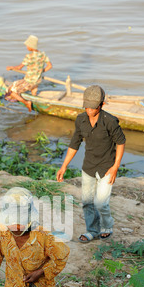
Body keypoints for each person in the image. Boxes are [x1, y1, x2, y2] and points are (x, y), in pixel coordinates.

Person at [56, 85, 126, 243]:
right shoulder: (80, 120)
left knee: (101, 203)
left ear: (101, 105)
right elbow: (75, 144)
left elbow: (121, 143)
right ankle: (92, 230)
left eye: (93, 107)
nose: (89, 110)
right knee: (87, 202)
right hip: (88, 167)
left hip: (107, 168)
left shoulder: (110, 121)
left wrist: (115, 167)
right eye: (86, 106)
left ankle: (107, 226)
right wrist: (64, 166)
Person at [5, 35, 52, 112]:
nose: (27, 47)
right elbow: (49, 66)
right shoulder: (43, 54)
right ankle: (36, 105)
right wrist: (39, 72)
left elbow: (19, 67)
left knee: (11, 91)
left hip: (29, 81)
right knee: (33, 93)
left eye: (27, 45)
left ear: (31, 46)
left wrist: (11, 67)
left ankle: (26, 102)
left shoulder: (29, 56)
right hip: (38, 81)